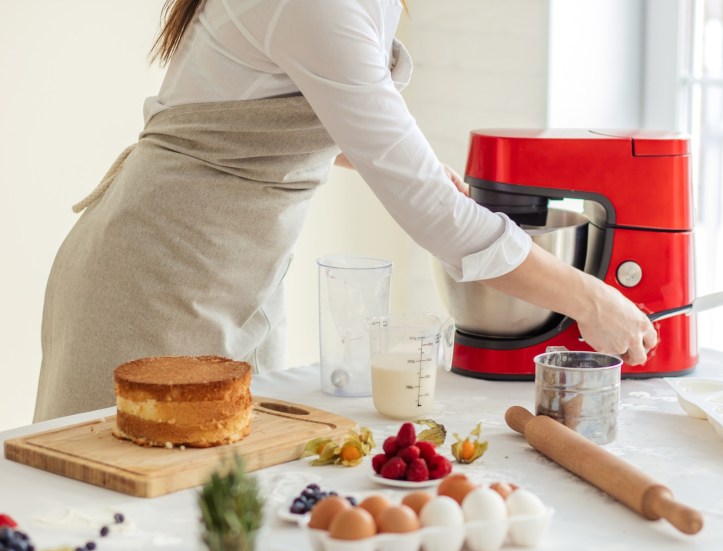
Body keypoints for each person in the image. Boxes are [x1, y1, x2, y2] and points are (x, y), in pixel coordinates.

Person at [34, 0, 657, 421]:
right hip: (155, 279)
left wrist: (395, 162)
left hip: (225, 277)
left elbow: (247, 119)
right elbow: (441, 223)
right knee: (119, 531)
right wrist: (592, 299)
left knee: (216, 517)